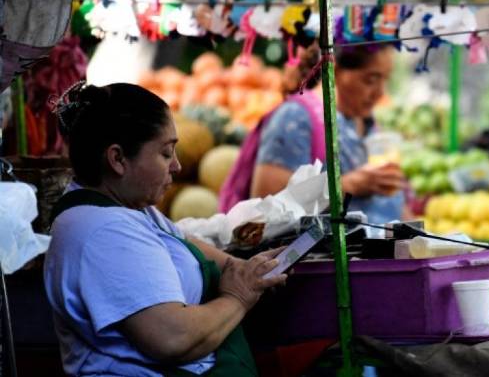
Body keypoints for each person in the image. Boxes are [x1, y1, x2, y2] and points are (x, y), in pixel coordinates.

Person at [44, 82, 286, 376]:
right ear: (118, 159)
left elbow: (188, 243)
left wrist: (250, 269)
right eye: (165, 153)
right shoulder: (103, 232)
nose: (177, 166)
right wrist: (237, 296)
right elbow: (173, 338)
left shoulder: (132, 209)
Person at [219, 43, 406, 224]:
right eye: (370, 80)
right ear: (335, 70)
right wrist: (348, 185)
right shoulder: (295, 118)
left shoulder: (367, 122)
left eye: (385, 80)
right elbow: (266, 202)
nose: (380, 92)